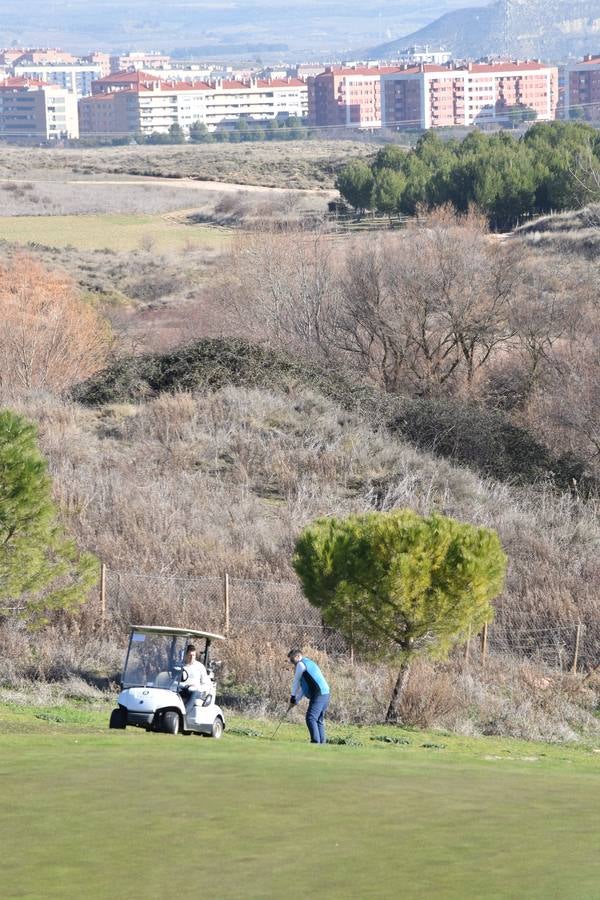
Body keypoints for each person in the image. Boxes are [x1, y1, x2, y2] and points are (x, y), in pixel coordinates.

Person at [287, 648, 330, 744]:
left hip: (319, 693)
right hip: (326, 693)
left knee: (310, 718)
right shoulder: (308, 663)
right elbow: (304, 688)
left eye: (292, 659)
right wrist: (296, 701)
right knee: (318, 720)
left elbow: (296, 681)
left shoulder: (301, 664)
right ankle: (321, 744)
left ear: (298, 656)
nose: (292, 662)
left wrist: (293, 697)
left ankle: (315, 742)